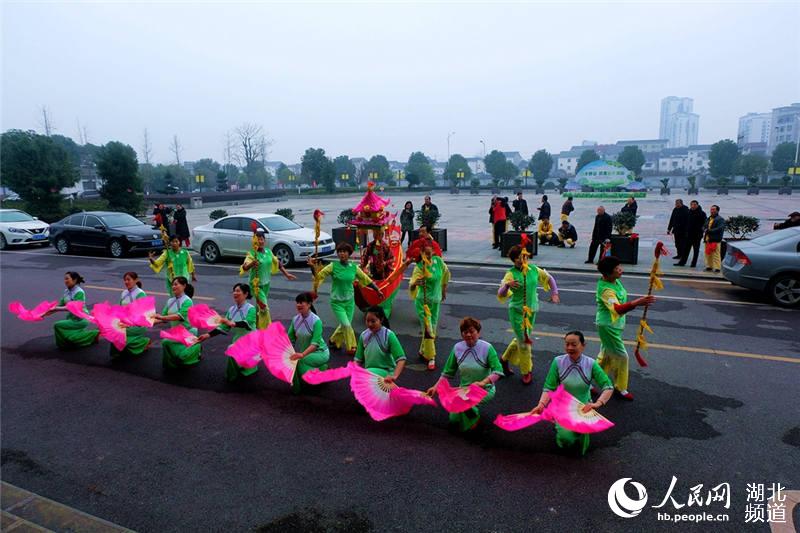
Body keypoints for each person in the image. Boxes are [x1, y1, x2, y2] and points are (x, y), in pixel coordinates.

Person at [529, 331, 614, 455]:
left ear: (583, 345)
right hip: (562, 406)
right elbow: (549, 387)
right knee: (565, 440)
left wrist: (598, 403)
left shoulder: (590, 364)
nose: (569, 348)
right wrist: (541, 405)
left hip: (583, 407)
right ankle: (560, 426)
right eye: (567, 344)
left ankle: (577, 431)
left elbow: (608, 387)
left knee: (582, 447)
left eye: (574, 344)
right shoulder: (558, 362)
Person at [426, 317, 503, 432]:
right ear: (461, 334)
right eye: (465, 332)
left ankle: (474, 416)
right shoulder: (457, 348)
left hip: (484, 390)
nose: (468, 335)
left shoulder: (487, 348)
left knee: (468, 423)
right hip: (464, 390)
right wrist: (435, 387)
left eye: (472, 331)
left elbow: (498, 371)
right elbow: (447, 372)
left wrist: (483, 383)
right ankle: (468, 411)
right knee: (454, 420)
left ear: (478, 332)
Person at [497, 245, 560, 384]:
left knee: (522, 339)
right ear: (514, 260)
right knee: (525, 342)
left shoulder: (533, 270)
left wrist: (555, 293)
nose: (522, 259)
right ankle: (526, 371)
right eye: (519, 258)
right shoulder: (511, 273)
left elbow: (549, 278)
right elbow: (500, 293)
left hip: (531, 311)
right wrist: (507, 285)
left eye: (524, 256)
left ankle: (504, 359)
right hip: (517, 312)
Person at [595, 257, 655, 400]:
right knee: (622, 356)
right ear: (608, 274)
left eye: (619, 267)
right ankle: (620, 387)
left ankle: (586, 380)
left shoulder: (615, 281)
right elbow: (617, 309)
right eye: (617, 269)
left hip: (616, 325)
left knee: (605, 357)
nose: (620, 270)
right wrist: (637, 302)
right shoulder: (606, 289)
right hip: (608, 326)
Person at [311, 242, 383, 355]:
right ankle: (352, 346)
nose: (341, 254)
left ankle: (334, 340)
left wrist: (377, 290)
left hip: (349, 301)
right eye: (339, 252)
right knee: (346, 325)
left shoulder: (354, 268)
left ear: (348, 253)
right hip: (337, 302)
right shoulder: (332, 266)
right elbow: (318, 276)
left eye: (344, 252)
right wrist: (312, 267)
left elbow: (366, 279)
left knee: (345, 324)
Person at [197, 283, 258, 382]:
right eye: (234, 291)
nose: (235, 293)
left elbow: (247, 324)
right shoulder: (232, 310)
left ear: (246, 294)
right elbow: (224, 327)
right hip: (238, 339)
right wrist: (207, 335)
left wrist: (230, 322)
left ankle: (232, 377)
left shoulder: (251, 309)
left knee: (232, 349)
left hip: (251, 340)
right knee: (234, 351)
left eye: (238, 291)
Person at [407, 241, 450, 370]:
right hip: (423, 302)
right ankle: (431, 357)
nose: (428, 254)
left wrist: (443, 289)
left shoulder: (439, 262)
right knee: (428, 329)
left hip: (435, 301)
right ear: (421, 253)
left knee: (433, 328)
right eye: (425, 253)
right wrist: (416, 283)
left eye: (430, 252)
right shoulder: (420, 266)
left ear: (433, 251)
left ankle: (423, 349)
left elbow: (446, 274)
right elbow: (412, 283)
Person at [241, 229, 297, 328]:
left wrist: (286, 274)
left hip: (266, 284)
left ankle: (256, 327)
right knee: (264, 308)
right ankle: (268, 329)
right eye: (258, 239)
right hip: (256, 286)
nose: (260, 241)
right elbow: (244, 267)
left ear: (264, 240)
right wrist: (252, 264)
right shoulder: (252, 254)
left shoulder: (268, 251)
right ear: (254, 241)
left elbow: (277, 263)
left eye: (262, 239)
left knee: (260, 308)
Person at [154, 276, 202, 370]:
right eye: (172, 285)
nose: (173, 287)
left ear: (184, 286)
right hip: (176, 332)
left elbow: (179, 316)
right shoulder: (170, 301)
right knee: (168, 344)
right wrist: (150, 322)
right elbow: (163, 318)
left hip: (187, 331)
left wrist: (161, 317)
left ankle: (196, 347)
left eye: (176, 284)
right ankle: (171, 365)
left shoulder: (188, 301)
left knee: (166, 342)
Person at [286, 292, 330, 394]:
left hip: (320, 352)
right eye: (297, 302)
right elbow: (290, 339)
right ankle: (297, 389)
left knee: (300, 362)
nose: (298, 305)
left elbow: (315, 345)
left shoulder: (316, 321)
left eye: (301, 302)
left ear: (309, 304)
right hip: (306, 353)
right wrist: (285, 353)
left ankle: (323, 372)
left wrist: (302, 354)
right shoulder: (295, 320)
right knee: (292, 361)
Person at [48, 271, 99, 349]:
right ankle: (69, 343)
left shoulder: (79, 292)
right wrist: (46, 312)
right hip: (71, 317)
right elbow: (60, 304)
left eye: (67, 279)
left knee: (58, 325)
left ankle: (94, 334)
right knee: (71, 337)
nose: (65, 281)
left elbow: (73, 307)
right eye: (64, 279)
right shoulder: (66, 291)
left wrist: (55, 308)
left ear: (74, 280)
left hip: (81, 319)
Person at [354, 306, 406, 382]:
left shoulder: (388, 335)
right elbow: (358, 359)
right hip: (369, 372)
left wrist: (394, 376)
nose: (370, 324)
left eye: (373, 321)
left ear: (381, 320)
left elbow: (401, 359)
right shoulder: (363, 335)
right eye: (367, 321)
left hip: (386, 373)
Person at [360, 227, 398, 318]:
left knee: (384, 289)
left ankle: (384, 306)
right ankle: (372, 304)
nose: (375, 236)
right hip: (373, 271)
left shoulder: (385, 246)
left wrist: (385, 263)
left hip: (384, 272)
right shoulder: (370, 245)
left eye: (378, 234)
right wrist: (362, 266)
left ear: (382, 235)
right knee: (372, 288)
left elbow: (392, 258)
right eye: (374, 234)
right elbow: (365, 258)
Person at [111, 272, 150, 358]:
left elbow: (140, 314)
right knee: (112, 328)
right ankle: (119, 351)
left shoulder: (140, 294)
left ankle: (143, 342)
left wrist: (126, 323)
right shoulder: (124, 293)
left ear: (136, 280)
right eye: (125, 280)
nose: (126, 282)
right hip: (125, 321)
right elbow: (120, 309)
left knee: (118, 331)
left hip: (137, 324)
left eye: (129, 279)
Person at [681, 200, 707, 268]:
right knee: (686, 249)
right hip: (688, 235)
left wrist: (702, 230)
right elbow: (685, 223)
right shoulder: (688, 212)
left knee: (696, 250)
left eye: (694, 204)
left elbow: (705, 223)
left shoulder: (702, 213)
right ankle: (682, 262)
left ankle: (693, 263)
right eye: (692, 204)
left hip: (697, 235)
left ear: (697, 205)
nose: (693, 206)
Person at [703, 204, 725, 273]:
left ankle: (717, 268)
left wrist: (708, 230)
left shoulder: (720, 219)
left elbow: (719, 228)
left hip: (715, 239)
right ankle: (709, 266)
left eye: (713, 210)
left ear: (717, 211)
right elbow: (704, 226)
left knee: (716, 254)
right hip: (708, 239)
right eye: (711, 209)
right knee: (708, 253)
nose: (712, 211)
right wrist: (703, 229)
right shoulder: (709, 218)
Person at [667, 199, 690, 266]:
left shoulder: (686, 210)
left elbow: (688, 222)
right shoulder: (675, 209)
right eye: (676, 203)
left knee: (682, 244)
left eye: (677, 203)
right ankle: (679, 254)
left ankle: (683, 256)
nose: (676, 204)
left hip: (683, 231)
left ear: (681, 203)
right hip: (676, 230)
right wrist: (669, 229)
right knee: (677, 243)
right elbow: (672, 219)